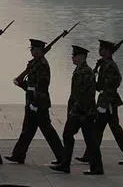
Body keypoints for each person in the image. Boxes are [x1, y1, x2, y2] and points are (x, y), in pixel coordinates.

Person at [80, 39, 123, 169]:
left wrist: (104, 104)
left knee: (113, 130)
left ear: (108, 51)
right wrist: (94, 72)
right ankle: (89, 154)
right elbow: (100, 86)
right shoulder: (104, 64)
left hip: (109, 103)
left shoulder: (110, 66)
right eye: (100, 48)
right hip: (104, 100)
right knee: (98, 129)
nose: (100, 50)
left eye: (102, 49)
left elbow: (113, 85)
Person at [7, 38, 64, 165]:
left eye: (33, 49)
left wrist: (35, 104)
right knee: (27, 130)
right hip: (31, 101)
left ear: (39, 50)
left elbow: (41, 86)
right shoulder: (35, 63)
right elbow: (30, 85)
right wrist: (21, 83)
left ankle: (62, 157)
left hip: (39, 103)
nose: (31, 51)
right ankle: (18, 155)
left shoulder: (42, 65)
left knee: (47, 131)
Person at [50, 45, 99, 174]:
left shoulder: (86, 72)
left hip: (83, 112)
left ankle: (96, 167)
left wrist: (78, 110)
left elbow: (87, 95)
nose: (72, 58)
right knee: (69, 135)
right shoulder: (79, 70)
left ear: (82, 57)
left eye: (74, 55)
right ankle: (66, 164)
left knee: (89, 140)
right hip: (78, 110)